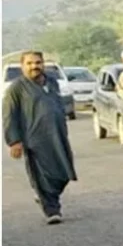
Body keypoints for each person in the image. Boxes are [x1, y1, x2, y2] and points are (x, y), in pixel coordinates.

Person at [3, 51, 77, 224]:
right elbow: (9, 115)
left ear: (43, 63)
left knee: (63, 173)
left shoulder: (52, 82)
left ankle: (44, 194)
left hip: (58, 135)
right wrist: (14, 141)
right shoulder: (17, 88)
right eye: (29, 63)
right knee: (42, 174)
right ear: (22, 66)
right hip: (35, 139)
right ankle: (51, 210)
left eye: (37, 62)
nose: (34, 66)